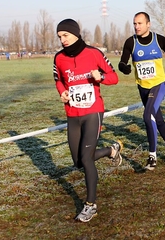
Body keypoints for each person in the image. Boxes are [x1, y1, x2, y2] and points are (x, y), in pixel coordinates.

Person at [53, 19, 123, 222]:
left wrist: (99, 76)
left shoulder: (94, 53)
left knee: (86, 157)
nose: (62, 40)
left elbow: (114, 77)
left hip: (93, 112)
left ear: (75, 33)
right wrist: (63, 92)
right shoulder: (58, 58)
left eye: (65, 35)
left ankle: (90, 205)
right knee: (78, 162)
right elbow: (58, 79)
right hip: (72, 114)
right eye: (59, 37)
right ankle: (111, 150)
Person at [117, 12, 165, 170]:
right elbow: (122, 61)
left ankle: (152, 156)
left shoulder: (159, 40)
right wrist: (124, 67)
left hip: (159, 84)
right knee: (157, 119)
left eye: (140, 23)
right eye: (134, 23)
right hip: (142, 87)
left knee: (147, 115)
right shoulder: (131, 42)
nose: (136, 26)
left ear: (148, 24)